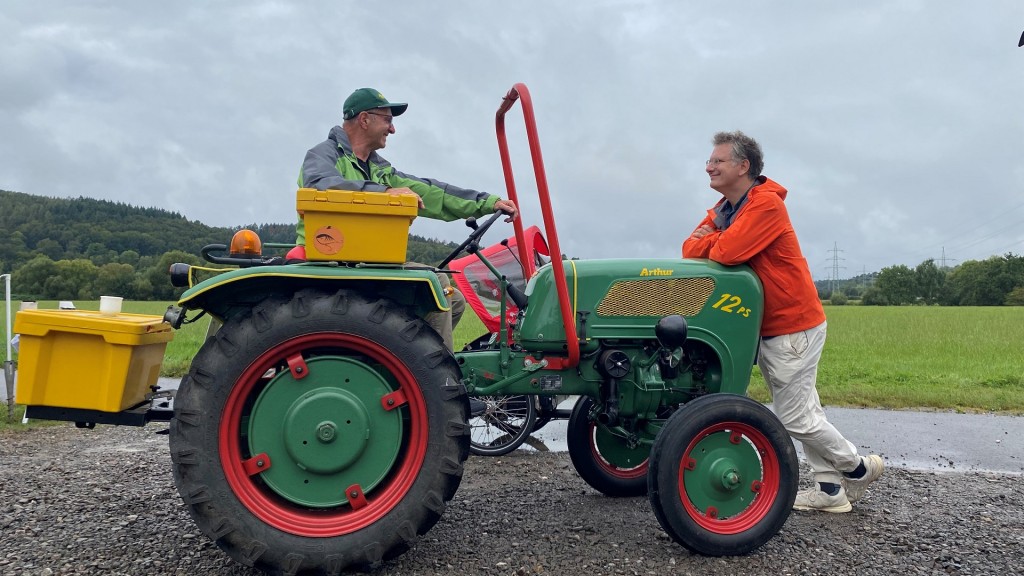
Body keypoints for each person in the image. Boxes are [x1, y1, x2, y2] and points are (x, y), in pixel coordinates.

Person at [681, 131, 883, 513]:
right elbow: (689, 249)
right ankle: (830, 493)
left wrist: (717, 240)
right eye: (710, 160)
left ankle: (857, 469)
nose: (709, 166)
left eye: (718, 161)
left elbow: (725, 251)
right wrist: (717, 238)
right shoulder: (726, 207)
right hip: (772, 326)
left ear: (744, 166)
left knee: (793, 416)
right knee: (807, 411)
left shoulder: (765, 206)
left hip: (792, 325)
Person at [294, 87, 518, 354]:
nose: (392, 130)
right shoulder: (323, 156)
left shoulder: (379, 169)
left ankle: (404, 358)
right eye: (387, 120)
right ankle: (436, 380)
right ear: (364, 119)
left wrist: (486, 202)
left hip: (369, 263)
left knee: (454, 300)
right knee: (437, 283)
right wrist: (384, 193)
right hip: (332, 261)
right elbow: (322, 186)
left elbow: (432, 192)